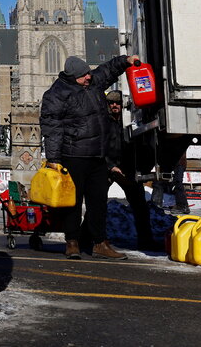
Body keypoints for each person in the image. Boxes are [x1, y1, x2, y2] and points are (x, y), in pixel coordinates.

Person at [40, 54, 138, 260]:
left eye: (88, 73)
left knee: (98, 202)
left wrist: (125, 60)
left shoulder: (92, 82)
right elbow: (52, 128)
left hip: (97, 155)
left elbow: (108, 70)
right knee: (73, 203)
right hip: (73, 155)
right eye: (84, 75)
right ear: (72, 76)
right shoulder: (56, 94)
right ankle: (72, 243)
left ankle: (100, 243)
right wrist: (54, 158)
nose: (88, 77)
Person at [102, 91, 162, 251]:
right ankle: (89, 239)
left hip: (127, 170)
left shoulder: (130, 122)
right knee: (98, 205)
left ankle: (146, 240)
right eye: (111, 103)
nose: (114, 106)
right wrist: (110, 166)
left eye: (117, 103)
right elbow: (100, 147)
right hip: (108, 169)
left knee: (140, 205)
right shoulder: (103, 123)